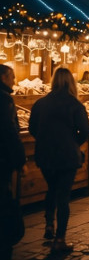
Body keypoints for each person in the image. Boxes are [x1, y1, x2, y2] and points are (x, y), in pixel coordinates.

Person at [28, 68, 89, 253]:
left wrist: (45, 139)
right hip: (67, 156)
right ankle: (60, 238)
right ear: (71, 82)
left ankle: (48, 224)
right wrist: (73, 143)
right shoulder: (75, 104)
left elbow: (32, 128)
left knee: (52, 189)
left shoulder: (41, 103)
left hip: (45, 154)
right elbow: (85, 131)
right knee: (63, 196)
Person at [0, 64, 25, 259]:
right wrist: (20, 160)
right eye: (12, 77)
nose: (14, 81)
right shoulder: (6, 100)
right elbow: (10, 132)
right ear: (3, 78)